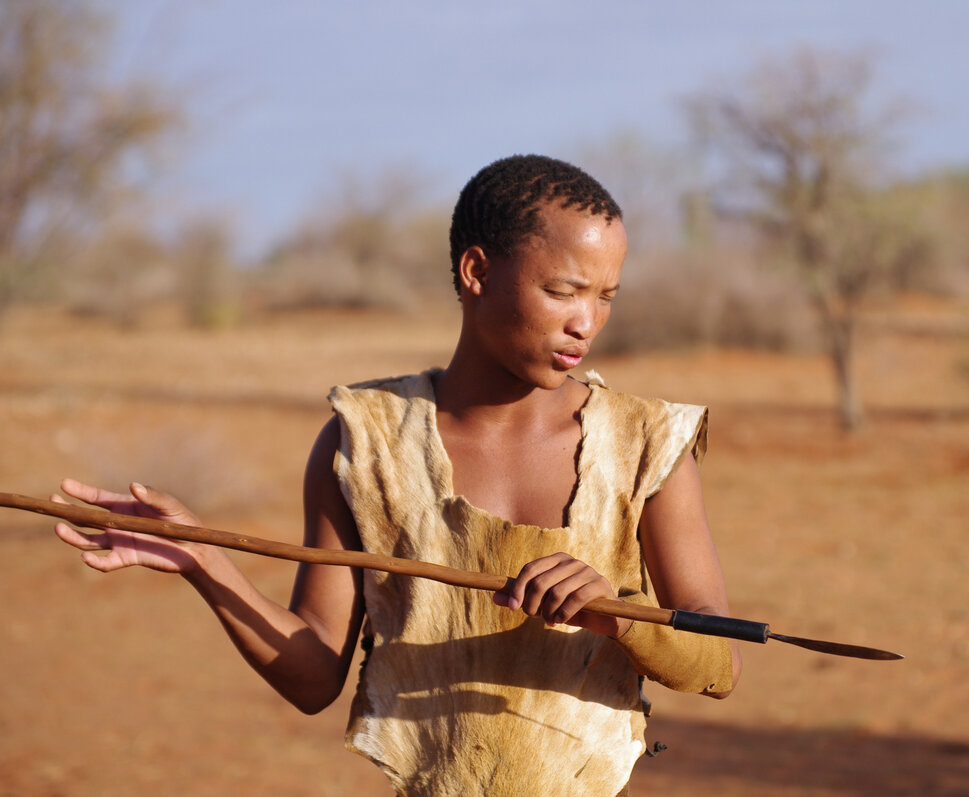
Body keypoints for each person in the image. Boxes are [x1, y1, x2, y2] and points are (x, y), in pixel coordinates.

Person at [53, 154, 741, 796]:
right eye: (563, 291)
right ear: (477, 271)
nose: (585, 322)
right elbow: (315, 673)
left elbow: (720, 664)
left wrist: (622, 616)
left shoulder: (648, 445)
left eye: (606, 296)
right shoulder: (367, 442)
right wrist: (204, 558)